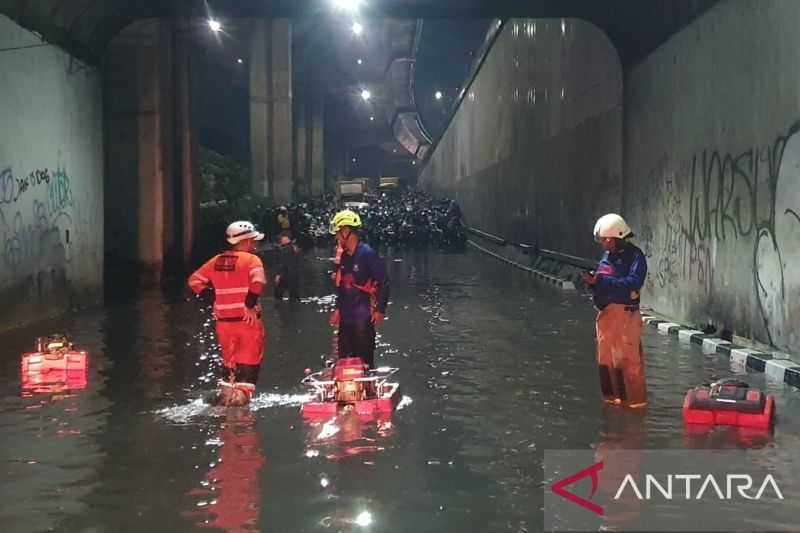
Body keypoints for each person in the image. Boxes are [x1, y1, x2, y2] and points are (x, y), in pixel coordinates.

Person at [188, 221, 267, 406]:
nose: (255, 245)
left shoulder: (216, 261)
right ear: (246, 241)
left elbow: (194, 281)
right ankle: (239, 420)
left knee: (229, 371)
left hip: (223, 325)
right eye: (253, 241)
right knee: (246, 376)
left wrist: (213, 299)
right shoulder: (252, 260)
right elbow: (258, 282)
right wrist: (249, 305)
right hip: (246, 324)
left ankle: (225, 409)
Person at [582, 213, 648, 408]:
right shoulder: (608, 256)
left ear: (616, 237)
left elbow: (633, 283)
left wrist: (603, 281)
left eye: (606, 240)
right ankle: (613, 402)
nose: (603, 244)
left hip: (626, 316)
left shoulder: (635, 257)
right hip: (606, 317)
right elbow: (604, 278)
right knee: (606, 361)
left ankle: (635, 406)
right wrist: (594, 283)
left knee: (628, 363)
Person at [328, 210, 390, 369]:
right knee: (344, 360)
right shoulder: (344, 256)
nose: (336, 237)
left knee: (364, 361)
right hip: (346, 317)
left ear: (346, 232)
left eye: (338, 233)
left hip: (363, 317)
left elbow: (384, 282)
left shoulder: (367, 254)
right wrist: (337, 309)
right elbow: (341, 286)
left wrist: (380, 310)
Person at [274, 231, 301, 301]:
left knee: (278, 295)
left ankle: (280, 310)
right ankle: (295, 310)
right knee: (294, 296)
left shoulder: (286, 249)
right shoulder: (294, 247)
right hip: (294, 275)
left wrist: (278, 275)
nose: (280, 240)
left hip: (286, 275)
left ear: (286, 238)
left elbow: (283, 263)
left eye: (281, 238)